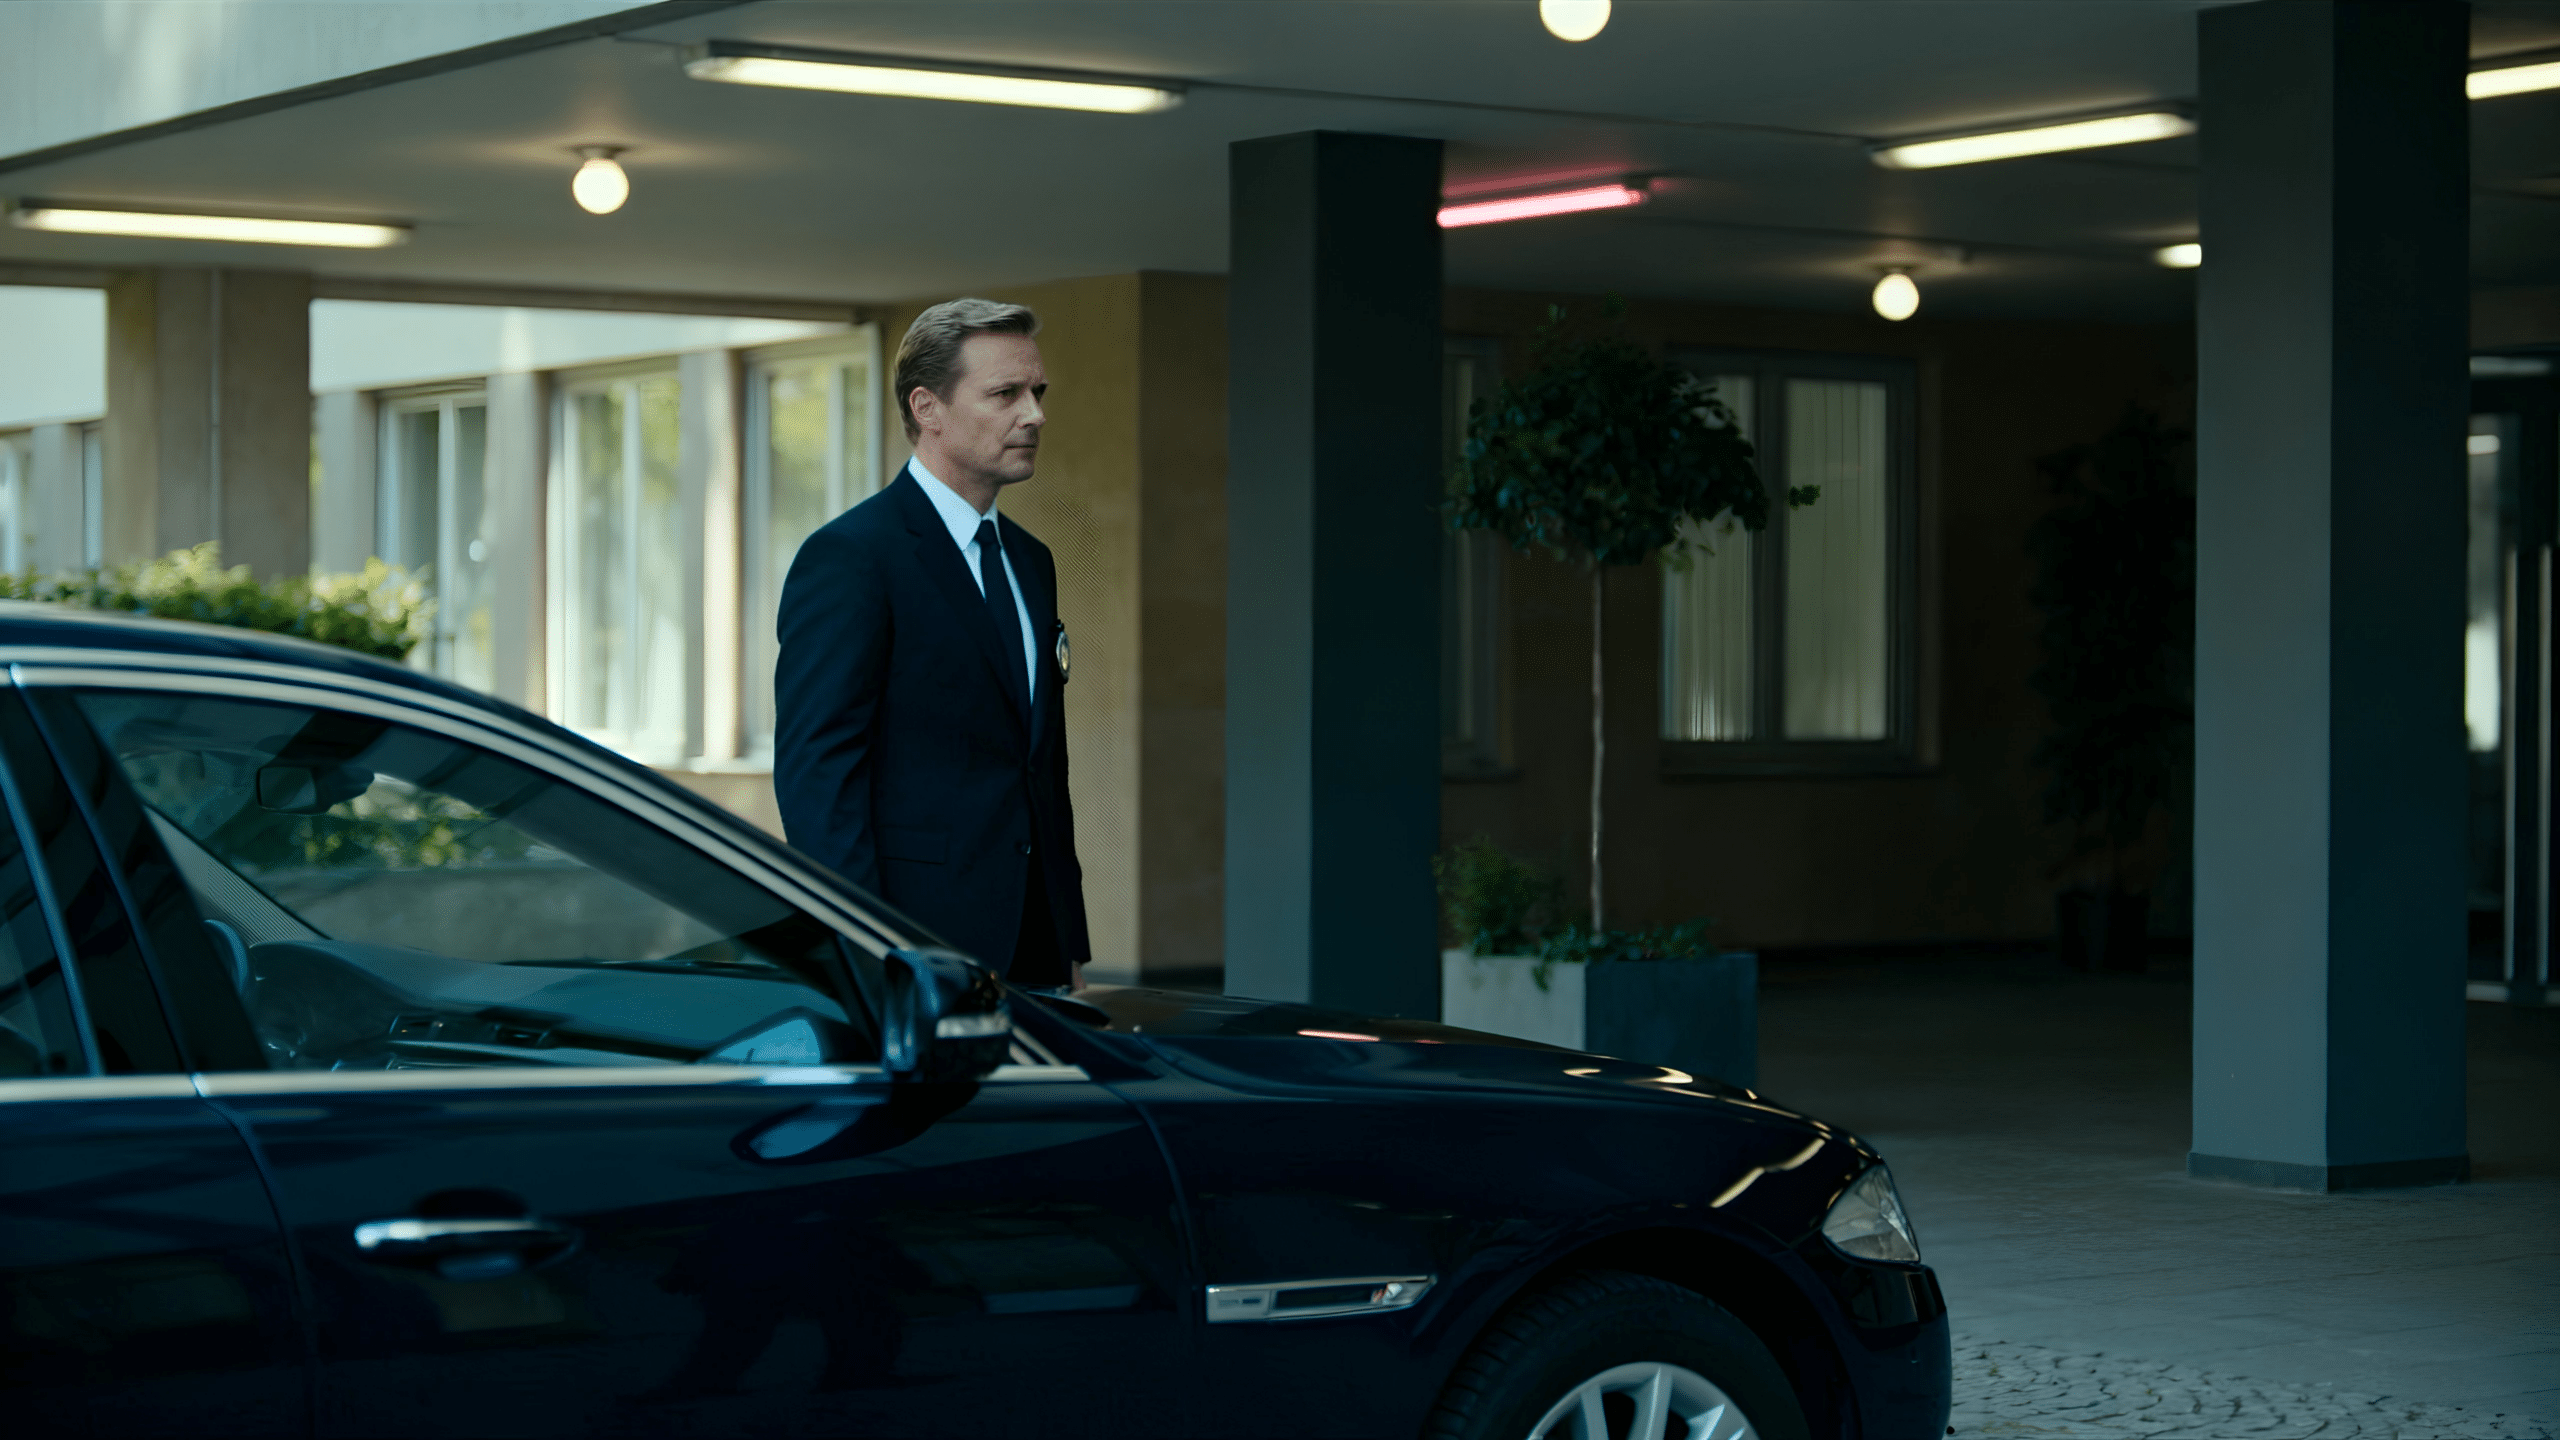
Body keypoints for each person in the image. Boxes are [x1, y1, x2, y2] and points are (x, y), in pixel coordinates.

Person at [773, 298, 1087, 989]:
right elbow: (818, 777)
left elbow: (1041, 770)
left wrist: (1068, 941)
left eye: (1037, 392)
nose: (1034, 415)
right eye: (1005, 394)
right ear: (927, 408)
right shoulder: (853, 558)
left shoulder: (1031, 561)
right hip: (914, 948)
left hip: (1035, 951)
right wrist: (868, 956)